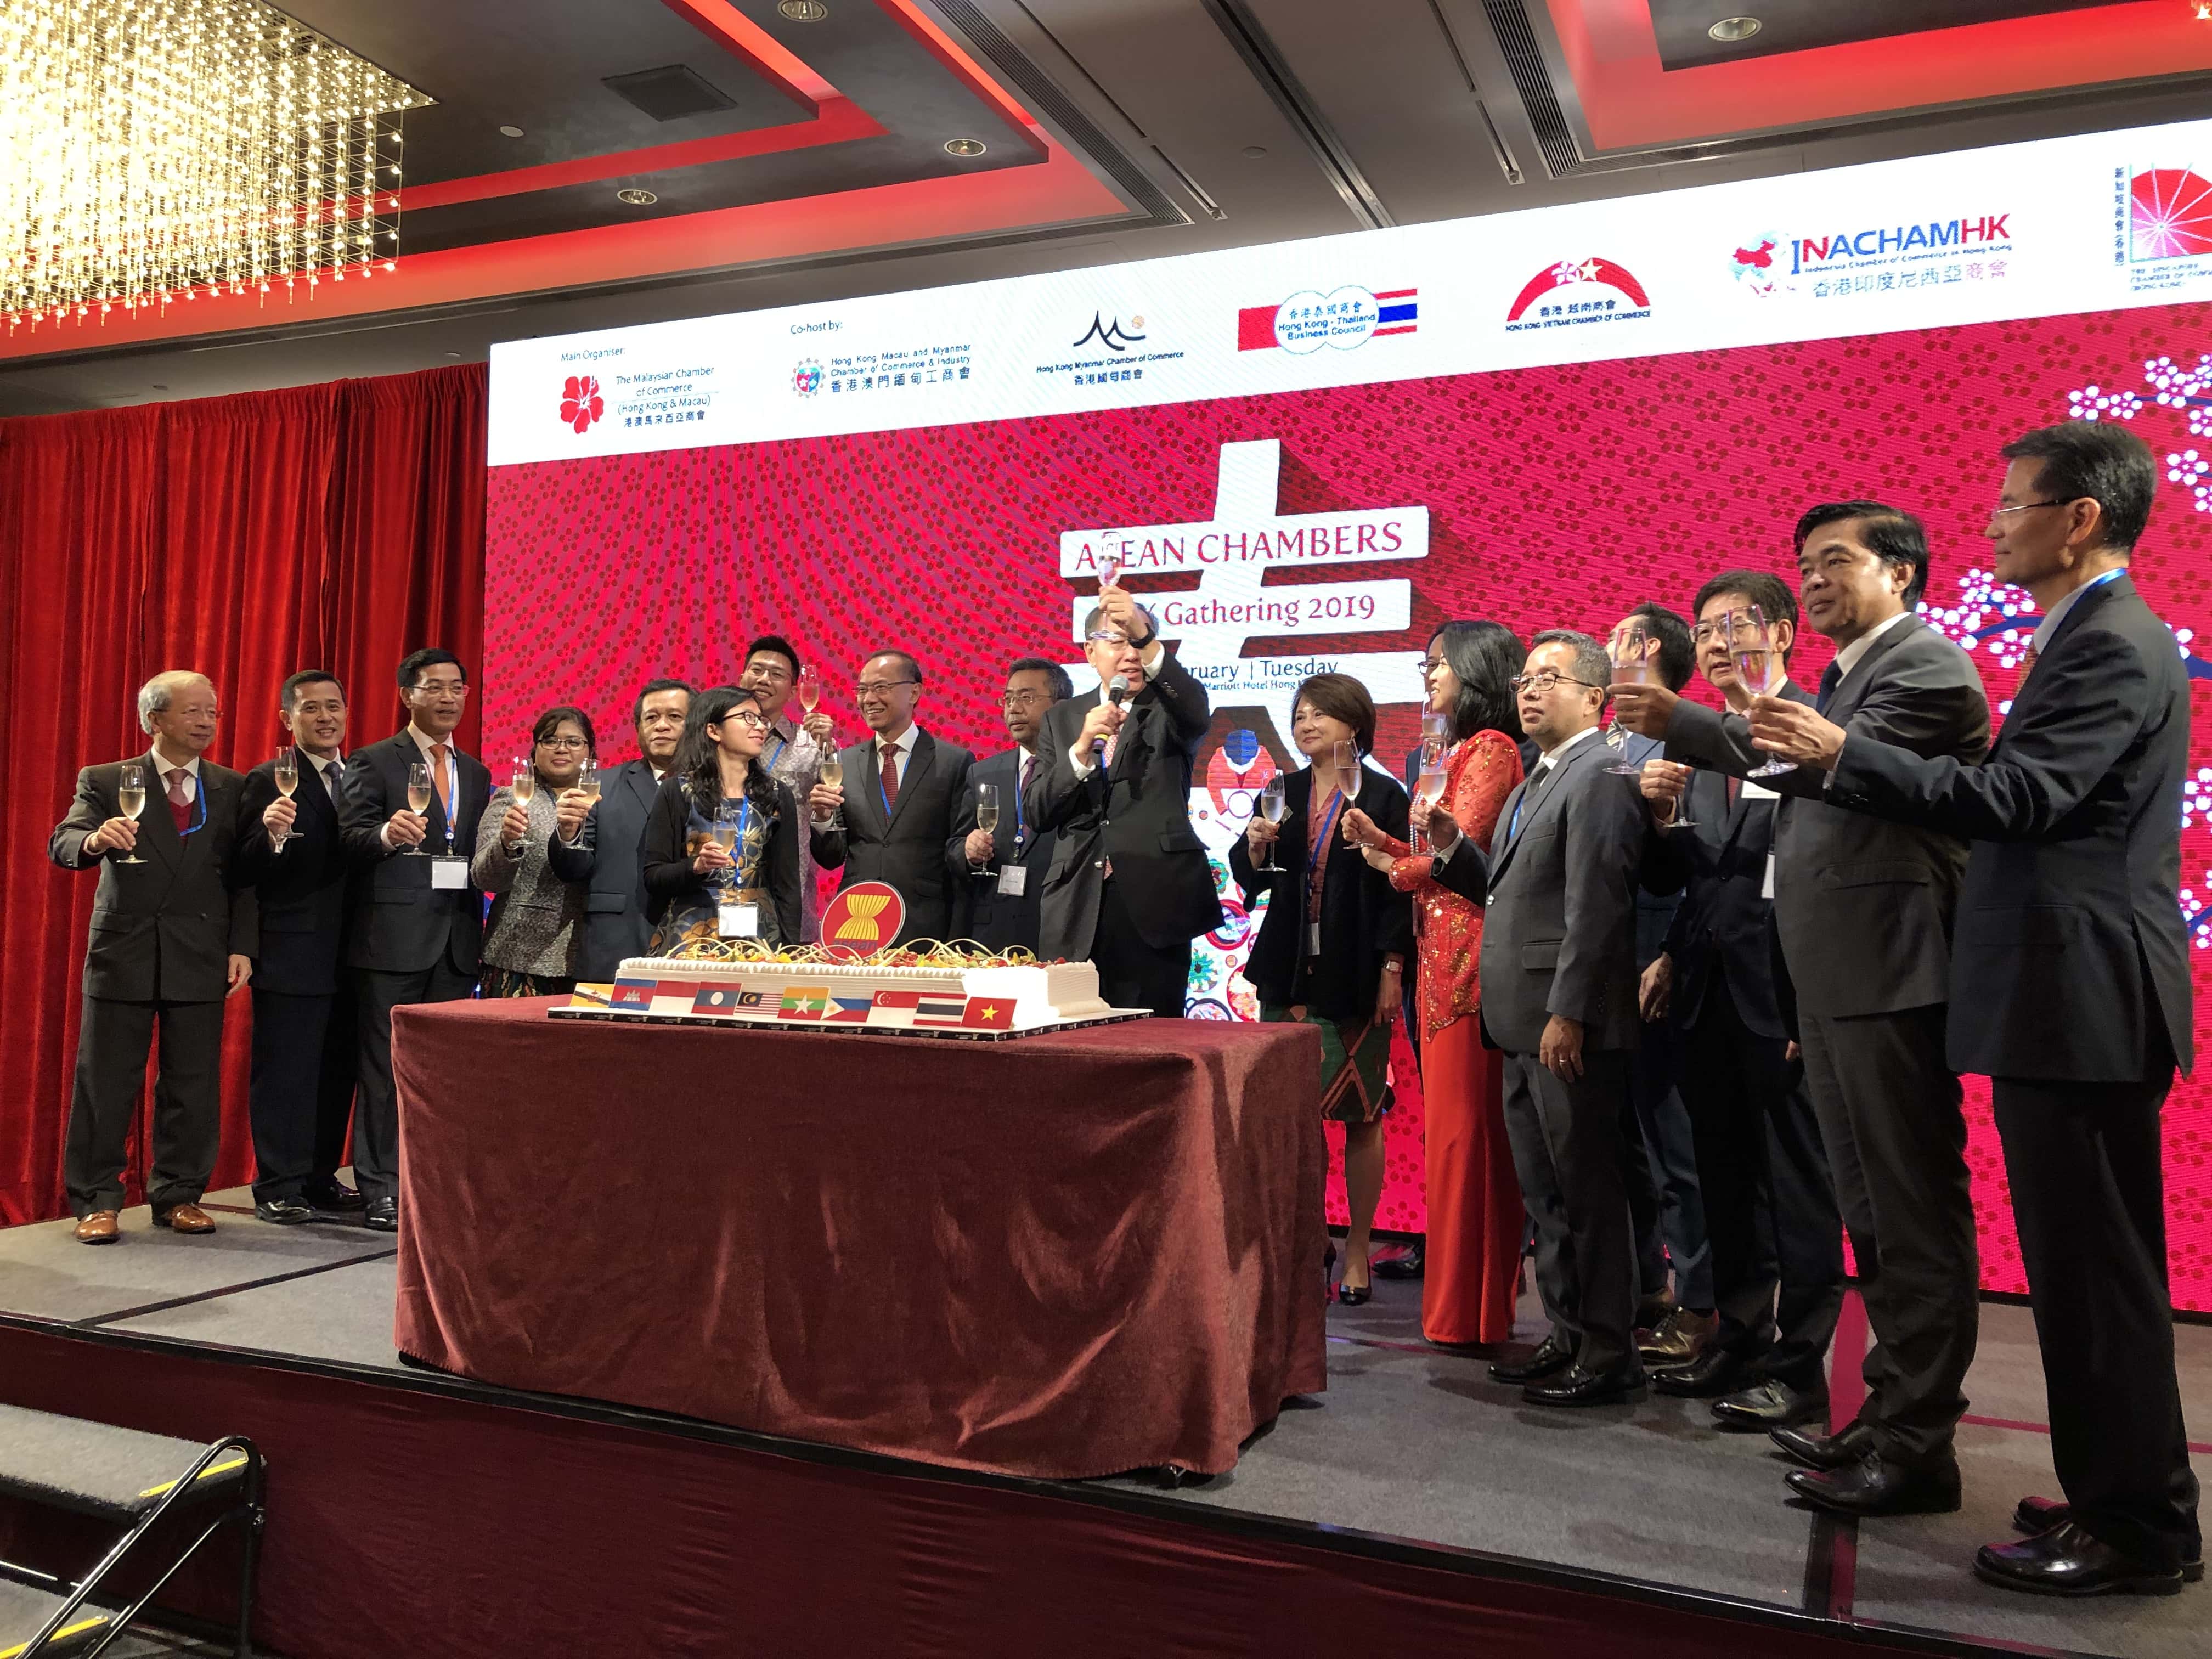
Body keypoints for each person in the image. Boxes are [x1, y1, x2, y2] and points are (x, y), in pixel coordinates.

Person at [1748, 424, 2200, 1595]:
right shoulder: (2087, 636)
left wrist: (1845, 753)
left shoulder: (2112, 640)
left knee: (2097, 1278)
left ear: (2080, 518)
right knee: (2081, 1272)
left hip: (2084, 991)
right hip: (2062, 993)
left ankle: (2138, 1527)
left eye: (2012, 504)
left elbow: (2023, 795)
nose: (1992, 524)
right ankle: (2119, 1495)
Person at [1614, 502, 1989, 1517]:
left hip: (1881, 972)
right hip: (1820, 977)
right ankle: (1890, 1416)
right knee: (1870, 1214)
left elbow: (1821, 770)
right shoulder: (1848, 678)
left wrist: (1684, 722)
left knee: (1899, 1213)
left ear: (1900, 571)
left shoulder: (1922, 667)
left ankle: (1914, 1438)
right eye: (1806, 563)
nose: (1816, 578)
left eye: (1836, 561)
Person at [1636, 576, 1844, 1430]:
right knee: (1723, 1180)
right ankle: (1740, 1338)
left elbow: (1817, 879)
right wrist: (1660, 821)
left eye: (1736, 626)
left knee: (1799, 1190)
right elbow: (1694, 878)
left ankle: (1802, 1369)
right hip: (1705, 994)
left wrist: (1808, 999)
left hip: (1782, 997)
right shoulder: (1694, 748)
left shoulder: (1808, 726)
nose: (1718, 643)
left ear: (1784, 633)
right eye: (1705, 629)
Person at [1441, 631, 1647, 1406]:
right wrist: (1453, 850)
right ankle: (1567, 1333)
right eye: (1525, 679)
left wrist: (1569, 1010)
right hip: (1517, 1018)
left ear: (1596, 698)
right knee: (1547, 1192)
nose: (1529, 691)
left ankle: (1609, 1351)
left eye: (1549, 678)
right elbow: (1506, 893)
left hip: (1566, 1023)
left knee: (1588, 1190)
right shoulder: (1538, 776)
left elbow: (1598, 905)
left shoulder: (1602, 773)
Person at [1346, 622, 1526, 1342]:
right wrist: (1384, 843)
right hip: (1440, 962)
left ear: (1476, 670)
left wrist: (1394, 866)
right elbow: (1437, 858)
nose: (1428, 675)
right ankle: (1460, 1308)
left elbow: (1462, 857)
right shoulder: (1459, 751)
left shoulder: (1492, 748)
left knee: (1467, 1140)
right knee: (1454, 1138)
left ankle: (1470, 1311)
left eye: (1439, 663)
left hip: (1468, 967)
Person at [49, 671, 256, 1243]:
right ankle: (96, 1199)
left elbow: (244, 878)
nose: (206, 722)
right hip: (125, 949)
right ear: (154, 719)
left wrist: (242, 945)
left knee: (192, 1084)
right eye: (193, 712)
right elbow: (64, 841)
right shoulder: (107, 779)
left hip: (201, 950)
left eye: (212, 712)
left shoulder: (232, 786)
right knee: (106, 1082)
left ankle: (179, 1194)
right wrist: (95, 841)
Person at [1232, 673, 1412, 1304]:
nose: (1305, 724)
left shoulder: (1385, 795)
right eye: (1300, 715)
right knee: (1291, 1120)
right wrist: (1254, 848)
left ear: (1354, 724)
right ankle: (1309, 1241)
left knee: (1361, 1117)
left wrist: (1393, 966)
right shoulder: (1282, 789)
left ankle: (1358, 1248)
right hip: (1287, 973)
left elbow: (1401, 885)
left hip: (1356, 973)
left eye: (1319, 714)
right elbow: (1250, 876)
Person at [339, 648, 492, 1234]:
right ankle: (380, 1187)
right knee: (385, 1069)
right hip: (392, 941)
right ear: (408, 694)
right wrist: (384, 834)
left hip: (456, 939)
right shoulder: (375, 761)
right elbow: (348, 840)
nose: (449, 698)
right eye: (436, 687)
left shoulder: (476, 772)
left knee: (441, 1070)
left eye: (458, 687)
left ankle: (430, 1185)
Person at [1026, 579, 1224, 1015]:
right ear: (1089, 651)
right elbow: (1037, 811)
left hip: (1154, 900)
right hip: (1078, 900)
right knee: (1072, 1032)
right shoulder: (1062, 718)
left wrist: (1143, 633)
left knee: (1153, 1037)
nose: (1130, 653)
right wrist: (1080, 752)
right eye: (1117, 641)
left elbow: (1195, 710)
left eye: (1136, 641)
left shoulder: (1171, 707)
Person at [1605, 604, 1715, 1370]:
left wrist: (1672, 953)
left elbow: (1699, 863)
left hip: (1657, 958)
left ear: (1644, 648)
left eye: (1617, 637)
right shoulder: (1606, 741)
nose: (1607, 645)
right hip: (1601, 959)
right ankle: (1646, 1285)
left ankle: (1699, 1298)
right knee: (1622, 1141)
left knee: (1673, 1140)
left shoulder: (1690, 739)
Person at [234, 670, 367, 1224]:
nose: (325, 717)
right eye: (311, 708)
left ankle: (319, 1177)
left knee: (337, 1070)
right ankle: (278, 1184)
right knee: (287, 1072)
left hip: (356, 952)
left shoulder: (361, 777)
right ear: (288, 719)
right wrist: (271, 836)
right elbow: (242, 867)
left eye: (333, 706)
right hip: (292, 951)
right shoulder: (269, 778)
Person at [807, 650, 975, 947]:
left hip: (926, 924)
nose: (869, 699)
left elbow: (958, 850)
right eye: (862, 690)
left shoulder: (954, 762)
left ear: (914, 692)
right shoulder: (843, 763)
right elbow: (831, 858)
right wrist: (823, 819)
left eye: (881, 688)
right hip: (856, 923)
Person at [548, 678, 691, 981]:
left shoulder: (719, 787)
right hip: (616, 944)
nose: (661, 726)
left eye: (674, 717)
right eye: (651, 718)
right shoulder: (601, 784)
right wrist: (568, 833)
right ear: (638, 728)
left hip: (695, 944)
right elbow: (574, 870)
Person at [644, 686, 803, 949]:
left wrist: (790, 949)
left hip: (759, 936)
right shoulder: (678, 791)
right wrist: (696, 867)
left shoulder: (776, 795)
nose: (761, 727)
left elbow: (787, 886)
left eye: (761, 719)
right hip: (693, 935)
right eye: (747, 717)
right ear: (713, 730)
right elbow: (654, 876)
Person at [473, 706, 595, 996]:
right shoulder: (512, 798)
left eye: (574, 742)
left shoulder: (604, 799)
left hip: (591, 956)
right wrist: (507, 844)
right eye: (550, 740)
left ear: (590, 753)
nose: (561, 749)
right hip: (519, 956)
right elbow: (484, 878)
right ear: (535, 751)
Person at [957, 657, 1071, 953]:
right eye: (1008, 699)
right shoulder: (983, 772)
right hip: (993, 931)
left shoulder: (1077, 771)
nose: (1014, 708)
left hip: (1059, 926)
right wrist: (969, 851)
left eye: (1026, 698)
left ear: (1060, 707)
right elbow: (954, 846)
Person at [737, 637, 834, 942]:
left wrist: (830, 750)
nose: (764, 679)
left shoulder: (812, 745)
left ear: (794, 691)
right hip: (731, 886)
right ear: (741, 678)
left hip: (790, 892)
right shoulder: (716, 740)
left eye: (777, 674)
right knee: (730, 960)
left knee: (788, 965)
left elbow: (834, 816)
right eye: (757, 670)